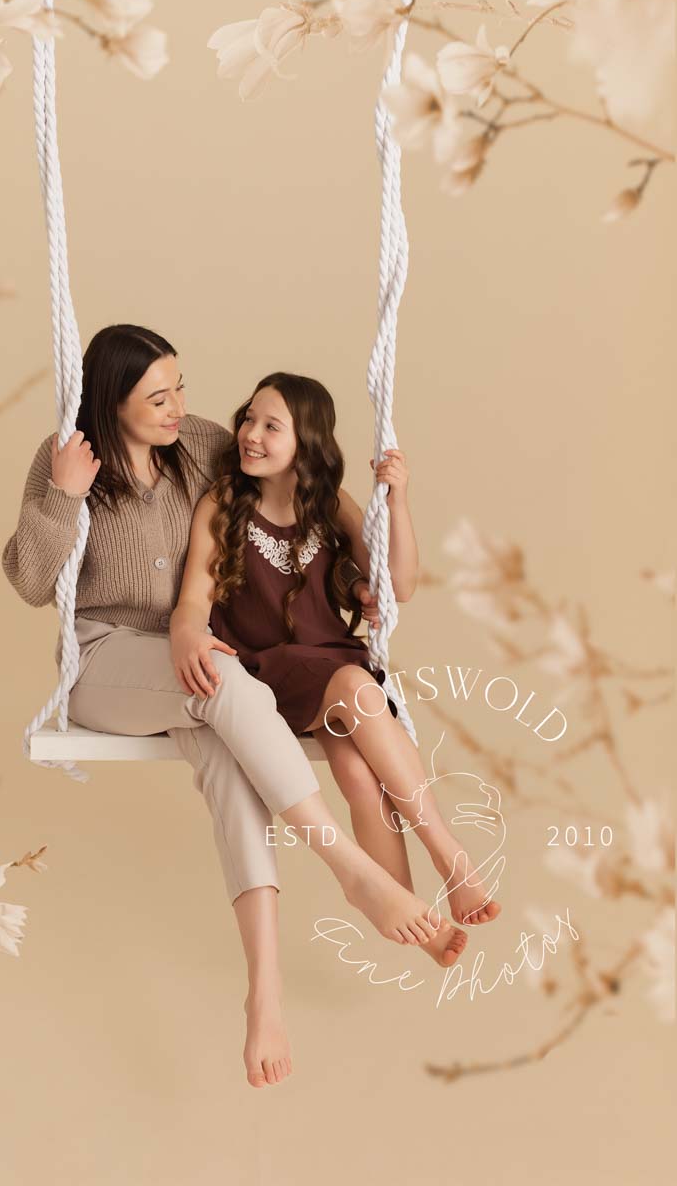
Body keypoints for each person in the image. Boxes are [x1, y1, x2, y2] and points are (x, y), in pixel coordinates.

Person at [2, 326, 449, 1089]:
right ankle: (350, 868)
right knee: (229, 682)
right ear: (112, 404)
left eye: (181, 388)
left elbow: (286, 480)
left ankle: (264, 995)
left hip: (193, 669)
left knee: (234, 773)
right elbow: (31, 579)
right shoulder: (66, 460)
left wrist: (361, 564)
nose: (180, 408)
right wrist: (64, 496)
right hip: (107, 658)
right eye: (157, 398)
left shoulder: (203, 444)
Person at [171, 371, 502, 980]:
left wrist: (397, 500)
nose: (251, 435)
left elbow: (399, 586)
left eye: (272, 426)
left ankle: (407, 909)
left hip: (329, 667)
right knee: (357, 687)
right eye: (250, 420)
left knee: (356, 773)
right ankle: (449, 854)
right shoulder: (223, 502)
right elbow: (194, 595)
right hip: (267, 672)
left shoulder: (330, 504)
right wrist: (187, 630)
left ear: (308, 441)